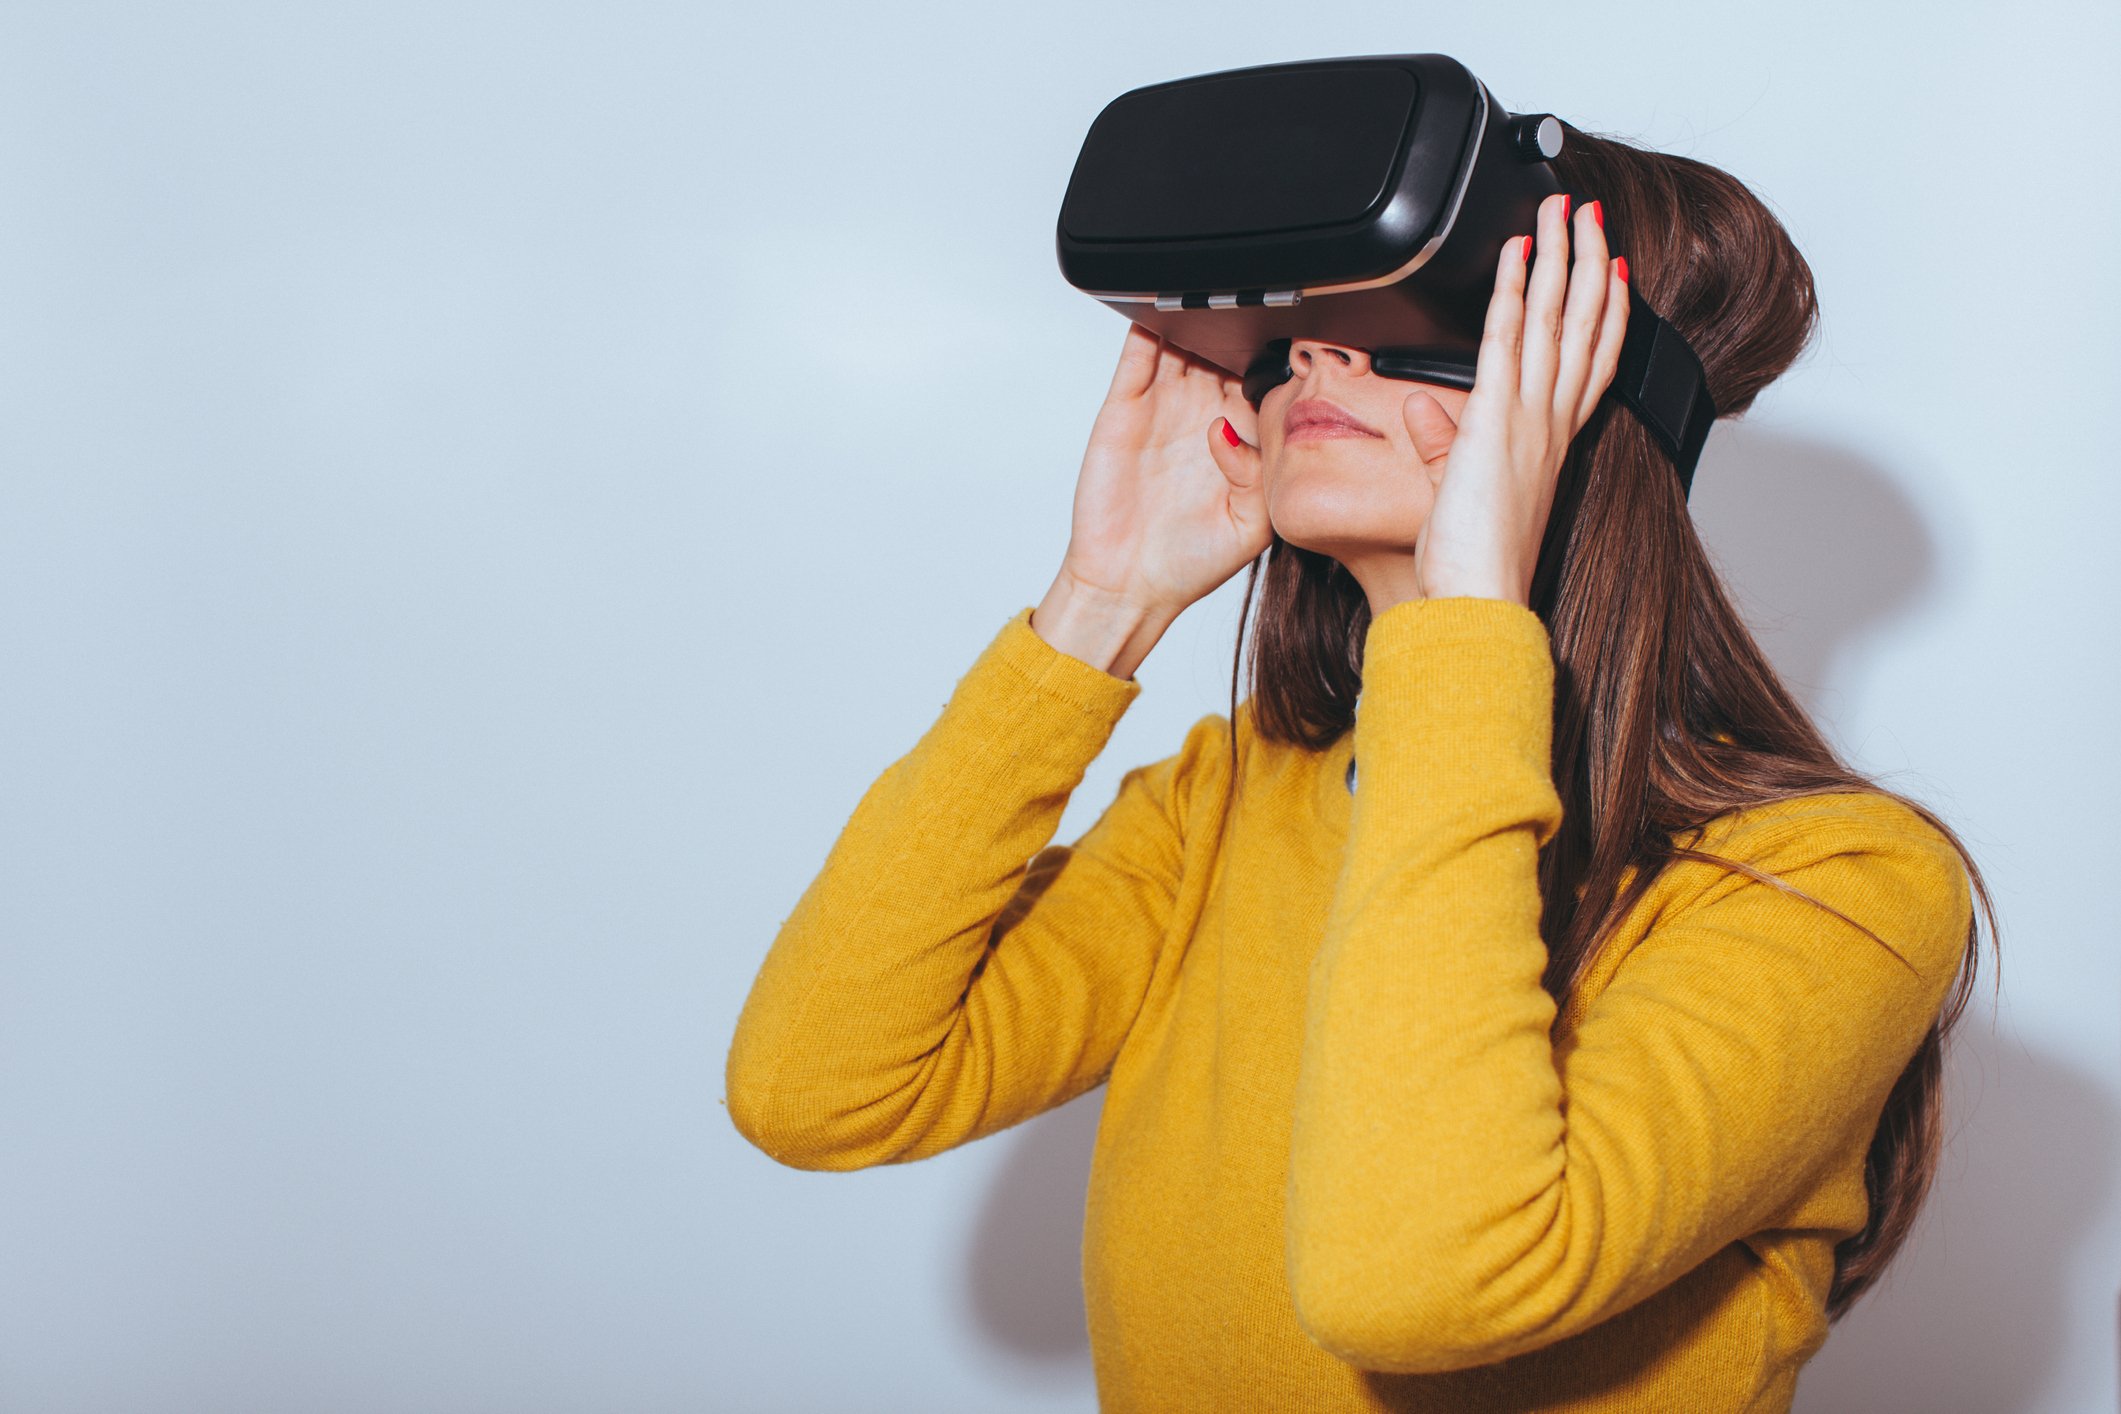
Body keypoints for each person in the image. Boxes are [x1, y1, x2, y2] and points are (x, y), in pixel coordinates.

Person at [724, 124, 2001, 1412]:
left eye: (1420, 318)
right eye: (1300, 328)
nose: (1321, 351)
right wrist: (1100, 603)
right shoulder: (1222, 805)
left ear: (1593, 394)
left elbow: (1413, 1284)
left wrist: (1461, 623)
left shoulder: (1834, 882)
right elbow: (820, 1091)